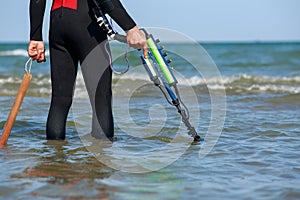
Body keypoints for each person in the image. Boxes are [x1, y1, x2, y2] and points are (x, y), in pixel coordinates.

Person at [28, 0, 148, 140]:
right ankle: (101, 156)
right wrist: (130, 28)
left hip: (58, 24)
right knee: (101, 99)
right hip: (85, 22)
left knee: (60, 100)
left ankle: (55, 157)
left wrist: (35, 37)